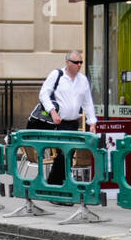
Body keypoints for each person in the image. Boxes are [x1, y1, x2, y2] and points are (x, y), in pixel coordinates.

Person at [38, 51, 97, 183]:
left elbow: (87, 102)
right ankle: (57, 184)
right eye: (76, 62)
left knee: (68, 154)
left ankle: (59, 184)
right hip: (58, 123)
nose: (79, 65)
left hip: (72, 123)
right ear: (67, 62)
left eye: (81, 62)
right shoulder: (57, 75)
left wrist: (91, 122)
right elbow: (43, 94)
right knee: (62, 154)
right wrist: (52, 112)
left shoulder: (83, 80)